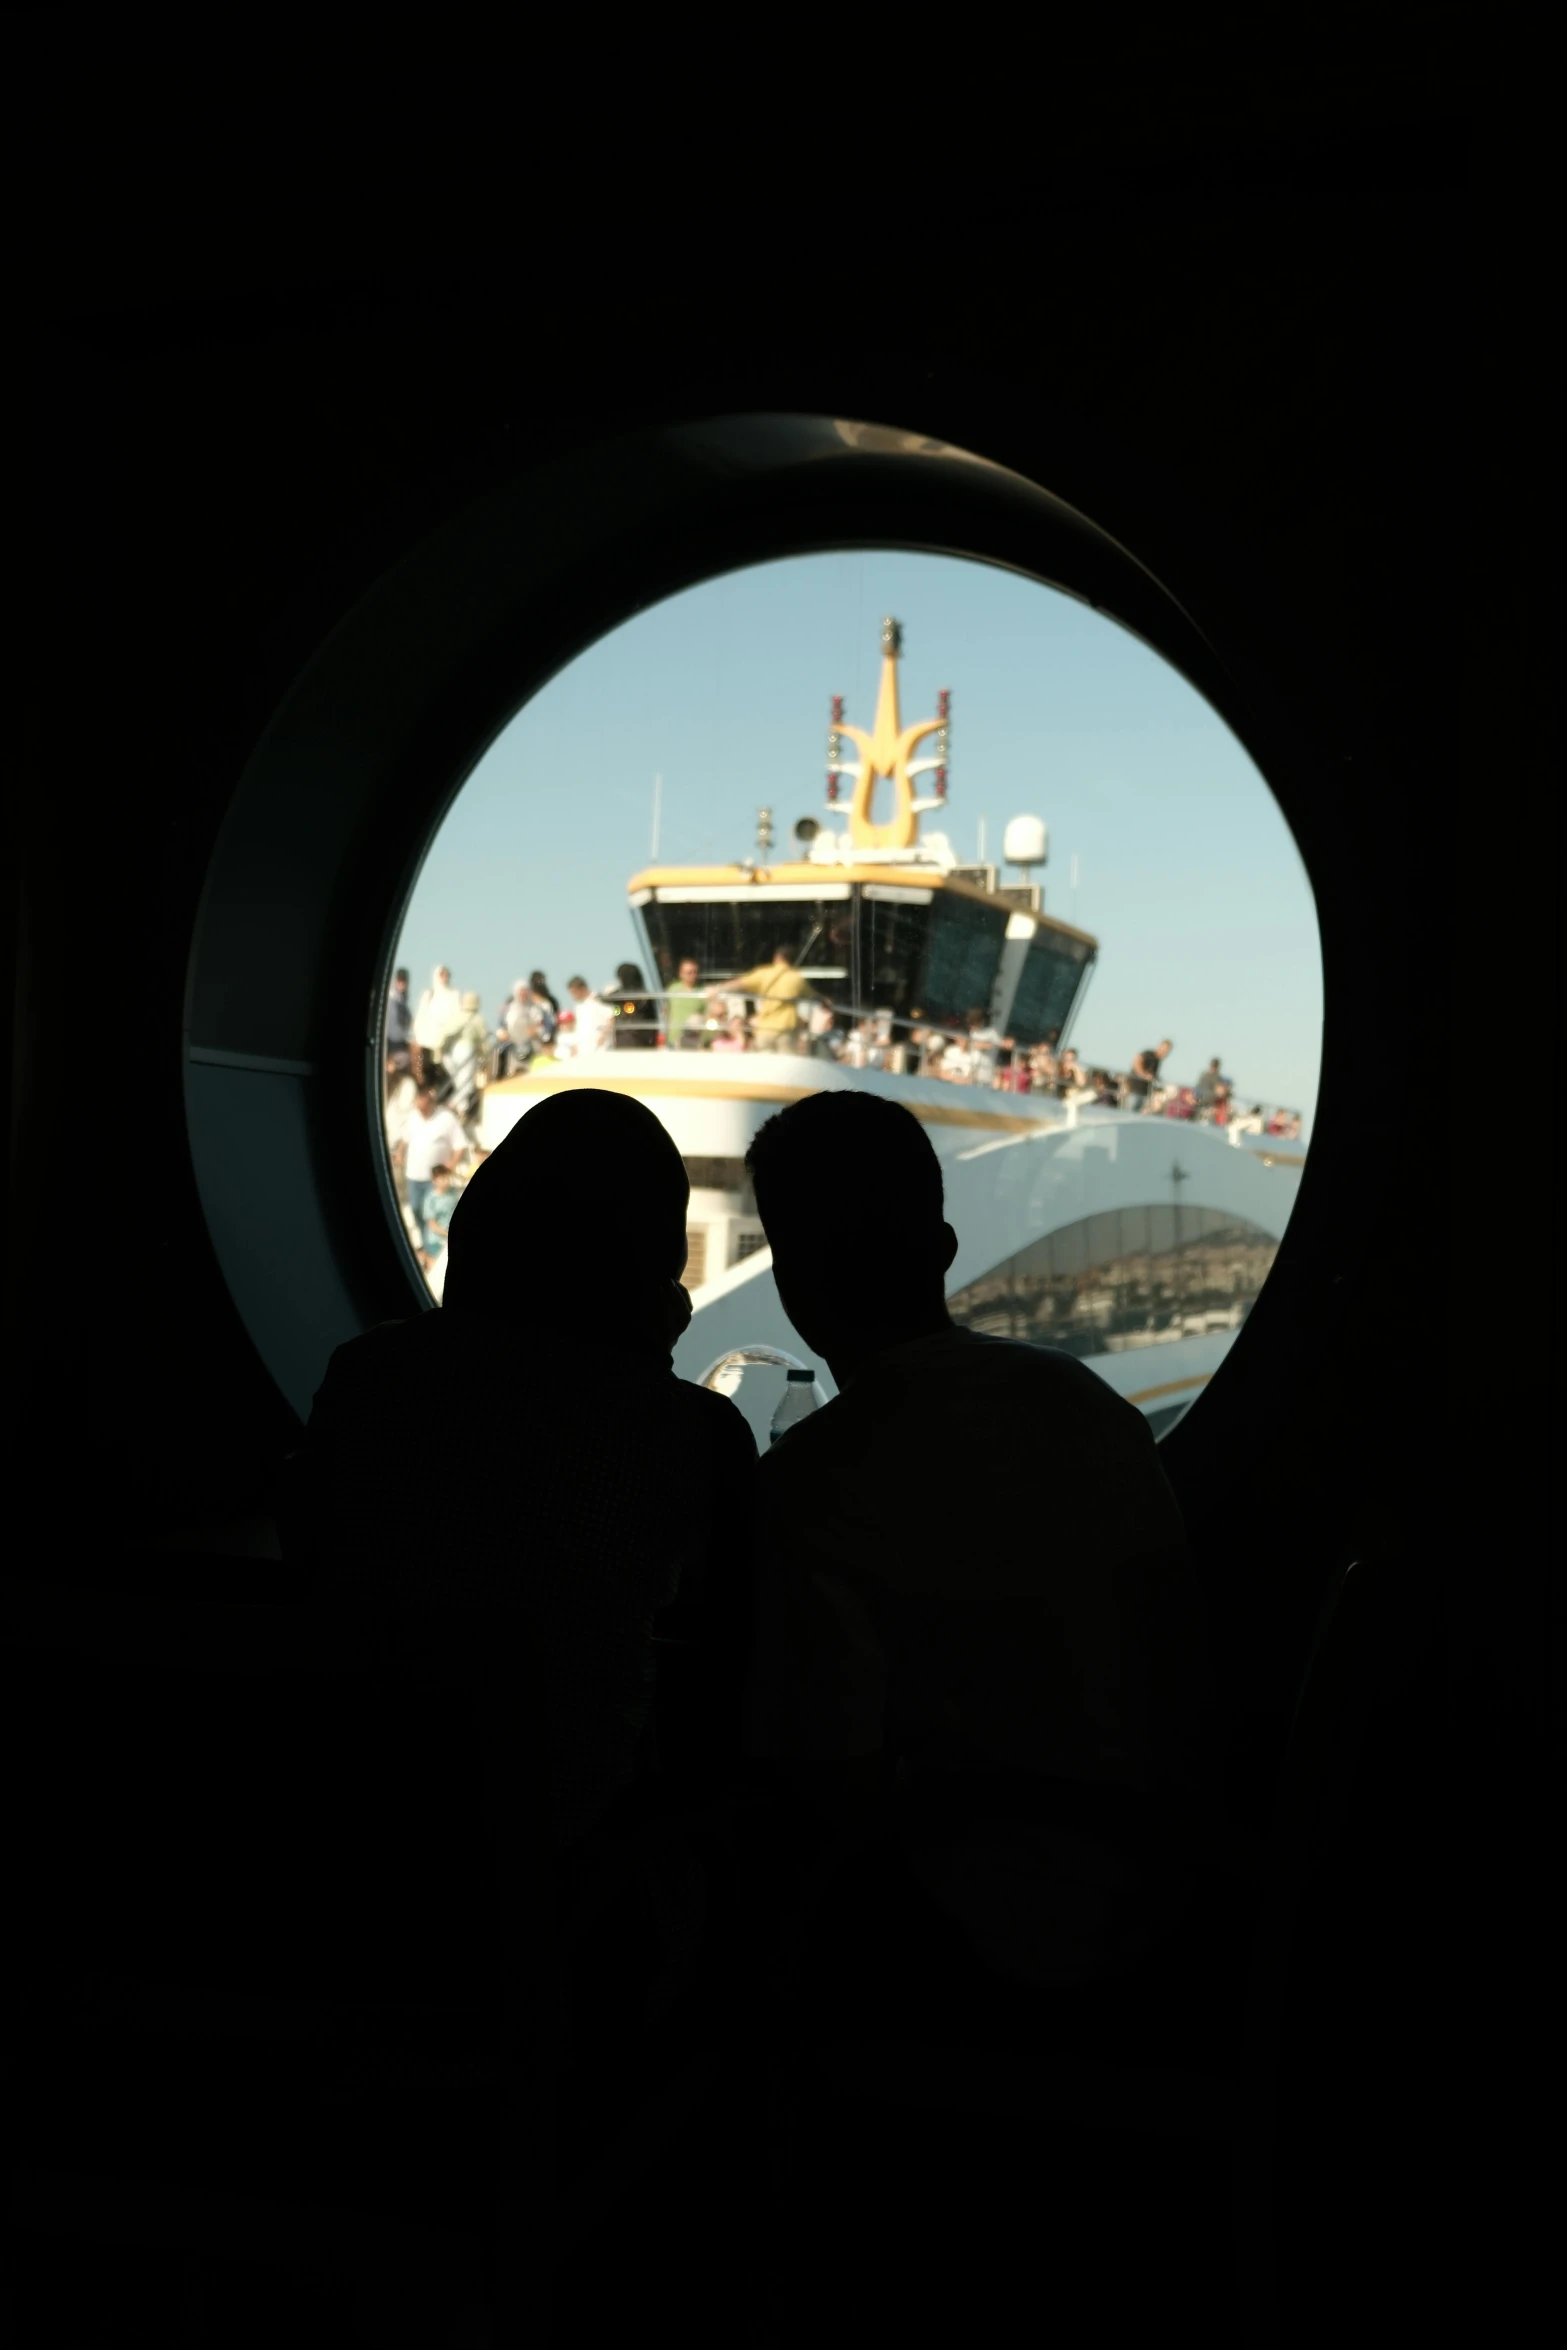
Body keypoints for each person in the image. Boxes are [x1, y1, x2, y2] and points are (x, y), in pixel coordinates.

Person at [282, 1089, 761, 2051]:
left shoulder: (363, 1379)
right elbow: (733, 1634)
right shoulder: (683, 1434)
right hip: (562, 1885)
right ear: (653, 1261)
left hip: (335, 1859)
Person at [730, 1091, 1216, 2020]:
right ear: (944, 1250)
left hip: (975, 1944)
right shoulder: (1092, 1409)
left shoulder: (817, 1478)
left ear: (791, 1283)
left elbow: (821, 1777)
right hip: (1180, 1901)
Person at [396, 1085, 468, 1242]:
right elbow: (405, 1138)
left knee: (432, 1212)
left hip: (435, 1178)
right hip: (413, 1175)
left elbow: (460, 1145)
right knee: (415, 1208)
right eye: (418, 1106)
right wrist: (400, 1152)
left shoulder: (446, 1118)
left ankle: (432, 1243)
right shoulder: (413, 1116)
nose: (420, 1110)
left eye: (423, 1106)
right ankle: (425, 1238)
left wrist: (452, 1163)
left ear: (430, 1103)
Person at [725, 945, 814, 1054]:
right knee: (787, 1066)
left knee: (765, 1064)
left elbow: (740, 983)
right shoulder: (797, 978)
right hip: (786, 1030)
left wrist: (716, 988)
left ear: (777, 957)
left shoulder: (764, 974)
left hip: (765, 1029)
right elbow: (812, 995)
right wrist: (825, 1000)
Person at [413, 964, 462, 1081]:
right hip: (429, 1041)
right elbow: (421, 1015)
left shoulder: (454, 994)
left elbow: (458, 1016)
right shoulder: (429, 994)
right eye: (442, 975)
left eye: (447, 975)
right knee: (428, 1071)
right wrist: (417, 1037)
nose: (444, 978)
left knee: (445, 1072)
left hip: (447, 1041)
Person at [562, 974, 616, 1057]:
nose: (573, 995)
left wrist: (603, 1035)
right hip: (583, 1051)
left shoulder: (597, 1000)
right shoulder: (578, 1006)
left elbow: (611, 1017)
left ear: (582, 989)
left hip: (601, 1049)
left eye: (574, 992)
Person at [664, 957, 709, 1050]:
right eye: (689, 973)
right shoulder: (672, 989)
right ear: (681, 974)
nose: (693, 975)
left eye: (695, 972)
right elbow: (666, 1011)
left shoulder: (703, 992)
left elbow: (708, 1014)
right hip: (673, 1039)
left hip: (694, 1042)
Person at [1125, 1039, 1172, 1112]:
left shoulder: (1158, 1061)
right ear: (1160, 1047)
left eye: (1167, 1050)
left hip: (1144, 1091)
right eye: (1164, 1049)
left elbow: (1151, 1074)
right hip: (1135, 1087)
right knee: (1131, 1111)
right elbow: (1136, 1061)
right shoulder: (1149, 1054)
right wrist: (1144, 1075)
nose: (1165, 1052)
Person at [386, 968, 414, 1081]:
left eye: (404, 981)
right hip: (392, 1042)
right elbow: (393, 1027)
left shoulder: (403, 998)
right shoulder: (392, 998)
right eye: (399, 980)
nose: (402, 983)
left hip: (399, 1040)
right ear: (395, 981)